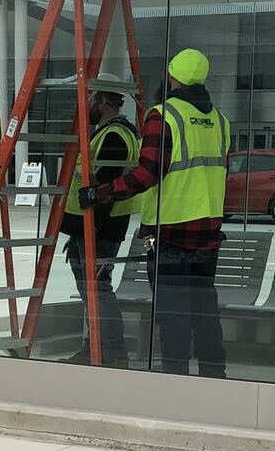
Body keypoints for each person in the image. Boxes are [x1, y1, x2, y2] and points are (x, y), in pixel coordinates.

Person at [79, 50, 230, 377]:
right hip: (208, 236)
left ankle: (175, 380)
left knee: (173, 317)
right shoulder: (219, 120)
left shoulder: (164, 115)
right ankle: (215, 379)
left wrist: (100, 194)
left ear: (172, 77)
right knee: (205, 314)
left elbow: (146, 174)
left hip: (172, 233)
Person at [61, 84, 141, 366]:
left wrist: (91, 228)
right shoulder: (111, 132)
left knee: (97, 289)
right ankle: (95, 347)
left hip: (99, 224)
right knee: (92, 289)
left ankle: (111, 350)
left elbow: (106, 186)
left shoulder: (115, 136)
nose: (88, 105)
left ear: (104, 101)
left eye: (92, 99)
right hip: (95, 224)